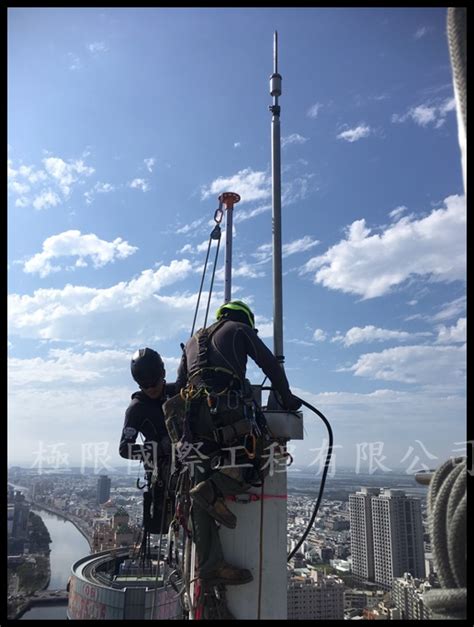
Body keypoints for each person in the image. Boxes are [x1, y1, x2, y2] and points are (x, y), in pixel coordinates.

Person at [166, 300, 301, 587]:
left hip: (193, 422)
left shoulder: (192, 341)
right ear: (245, 318)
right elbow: (271, 367)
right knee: (258, 460)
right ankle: (213, 489)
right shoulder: (240, 330)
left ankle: (210, 566)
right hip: (225, 413)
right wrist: (287, 399)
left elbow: (179, 387)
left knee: (199, 480)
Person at [119, 347, 175, 533]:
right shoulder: (137, 408)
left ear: (163, 374)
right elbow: (125, 449)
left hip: (188, 459)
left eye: (155, 383)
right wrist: (158, 448)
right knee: (161, 524)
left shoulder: (177, 392)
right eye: (145, 385)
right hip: (162, 473)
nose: (151, 389)